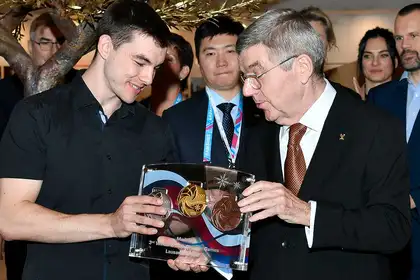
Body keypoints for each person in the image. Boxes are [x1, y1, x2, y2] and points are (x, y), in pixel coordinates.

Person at [0, 1, 182, 280]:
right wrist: (110, 224)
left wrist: (189, 244)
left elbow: (164, 220)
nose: (148, 78)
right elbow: (9, 219)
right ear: (106, 46)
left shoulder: (157, 130)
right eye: (140, 62)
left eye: (155, 68)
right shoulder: (36, 115)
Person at [235, 8, 411, 280]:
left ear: (302, 68)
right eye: (245, 78)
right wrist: (210, 249)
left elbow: (393, 228)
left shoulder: (374, 127)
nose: (247, 90)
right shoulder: (258, 134)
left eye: (256, 75)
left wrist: (307, 213)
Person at [152, 15, 263, 280]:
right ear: (199, 62)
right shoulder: (176, 118)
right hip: (195, 259)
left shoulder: (266, 112)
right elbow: (169, 191)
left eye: (230, 51)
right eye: (210, 53)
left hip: (258, 256)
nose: (222, 62)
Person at [0, 11, 78, 280]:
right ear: (30, 45)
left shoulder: (81, 88)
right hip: (20, 215)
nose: (54, 50)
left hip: (74, 217)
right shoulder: (4, 92)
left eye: (60, 42)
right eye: (45, 42)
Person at [368, 4, 420, 280]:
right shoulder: (381, 98)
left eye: (414, 36)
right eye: (399, 38)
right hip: (388, 244)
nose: (405, 45)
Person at [300, 6, 361, 100]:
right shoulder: (276, 93)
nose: (311, 45)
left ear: (329, 44)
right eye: (306, 38)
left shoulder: (344, 97)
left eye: (318, 39)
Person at [142, 32, 193, 116]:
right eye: (156, 56)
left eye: (168, 59)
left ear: (183, 72)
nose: (159, 63)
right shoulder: (135, 112)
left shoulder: (193, 114)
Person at [354, 27, 399, 100]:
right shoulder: (347, 101)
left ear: (395, 62)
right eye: (368, 56)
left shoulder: (408, 101)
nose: (375, 63)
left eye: (383, 55)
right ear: (360, 62)